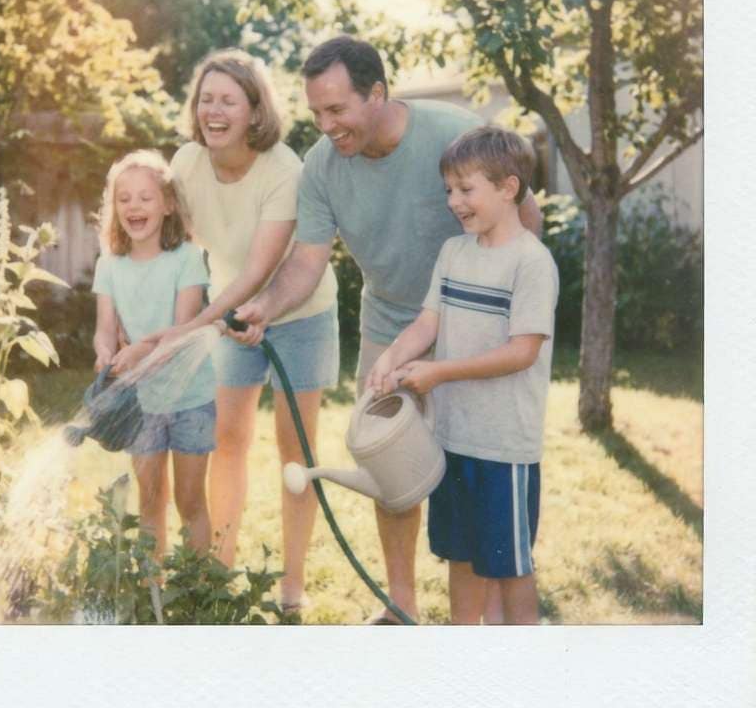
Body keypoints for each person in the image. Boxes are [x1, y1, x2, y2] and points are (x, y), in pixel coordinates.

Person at [235, 35, 542, 623]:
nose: (326, 126)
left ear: (376, 94)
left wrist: (514, 302)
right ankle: (403, 605)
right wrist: (265, 307)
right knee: (387, 463)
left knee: (480, 468)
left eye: (338, 109)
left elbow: (523, 218)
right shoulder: (323, 167)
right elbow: (306, 260)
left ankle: (500, 612)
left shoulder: (449, 136)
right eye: (317, 112)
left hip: (474, 323)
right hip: (392, 322)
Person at [167, 50, 338, 610]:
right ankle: (219, 569)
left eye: (228, 101)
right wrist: (194, 318)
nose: (213, 111)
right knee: (228, 441)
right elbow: (185, 253)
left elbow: (262, 269)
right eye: (206, 100)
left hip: (300, 314)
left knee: (296, 453)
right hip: (228, 313)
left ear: (254, 110)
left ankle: (292, 586)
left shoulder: (283, 169)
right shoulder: (187, 164)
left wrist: (197, 325)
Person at [368, 127, 558, 624]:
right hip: (452, 439)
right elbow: (429, 322)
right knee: (460, 555)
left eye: (465, 189)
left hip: (504, 447)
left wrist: (440, 372)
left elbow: (522, 352)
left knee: (510, 567)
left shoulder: (532, 263)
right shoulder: (454, 253)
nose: (454, 201)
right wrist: (390, 358)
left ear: (508, 187)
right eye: (448, 190)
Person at [92, 150, 216, 559]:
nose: (134, 206)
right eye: (124, 198)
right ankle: (154, 591)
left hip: (191, 399)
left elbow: (181, 332)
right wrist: (105, 356)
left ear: (167, 205)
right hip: (141, 401)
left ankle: (199, 589)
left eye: (145, 197)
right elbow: (105, 330)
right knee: (149, 500)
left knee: (189, 500)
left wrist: (138, 351)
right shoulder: (110, 265)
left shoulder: (187, 259)